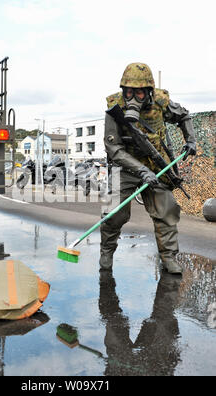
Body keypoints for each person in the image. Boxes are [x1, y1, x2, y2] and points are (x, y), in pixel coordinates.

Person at [100, 62, 196, 274]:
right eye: (128, 92)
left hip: (157, 165)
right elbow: (113, 148)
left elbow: (185, 116)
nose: (133, 98)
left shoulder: (161, 102)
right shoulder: (114, 107)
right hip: (124, 166)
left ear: (150, 92)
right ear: (122, 90)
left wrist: (191, 140)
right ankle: (106, 251)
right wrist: (141, 171)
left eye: (140, 93)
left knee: (166, 211)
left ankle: (169, 257)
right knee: (113, 212)